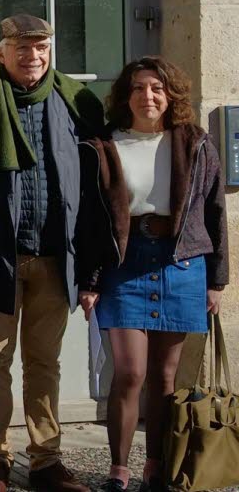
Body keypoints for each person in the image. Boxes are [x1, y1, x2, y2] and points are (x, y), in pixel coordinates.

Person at [0, 14, 103, 492]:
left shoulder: (76, 101)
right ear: (0, 52)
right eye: (23, 47)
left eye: (42, 47)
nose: (33, 56)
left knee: (44, 363)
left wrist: (92, 272)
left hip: (57, 258)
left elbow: (97, 192)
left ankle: (46, 460)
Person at [75, 56, 227, 491]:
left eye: (157, 88)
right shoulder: (104, 146)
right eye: (139, 88)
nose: (148, 96)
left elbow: (215, 213)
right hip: (125, 265)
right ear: (126, 95)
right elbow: (89, 221)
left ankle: (155, 467)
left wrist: (216, 281)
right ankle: (119, 470)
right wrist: (90, 281)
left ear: (170, 95)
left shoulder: (195, 143)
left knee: (165, 377)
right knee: (129, 372)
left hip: (181, 264)